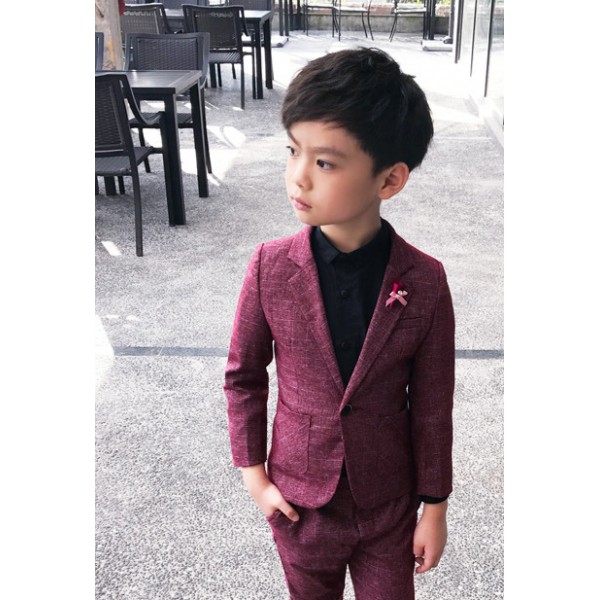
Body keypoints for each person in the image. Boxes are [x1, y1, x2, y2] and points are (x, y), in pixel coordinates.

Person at [224, 47, 455, 600]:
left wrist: (435, 507)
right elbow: (244, 376)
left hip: (388, 504)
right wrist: (255, 477)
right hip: (299, 502)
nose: (298, 177)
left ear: (389, 180)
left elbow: (432, 404)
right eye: (293, 151)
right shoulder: (270, 266)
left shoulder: (424, 280)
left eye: (324, 163)